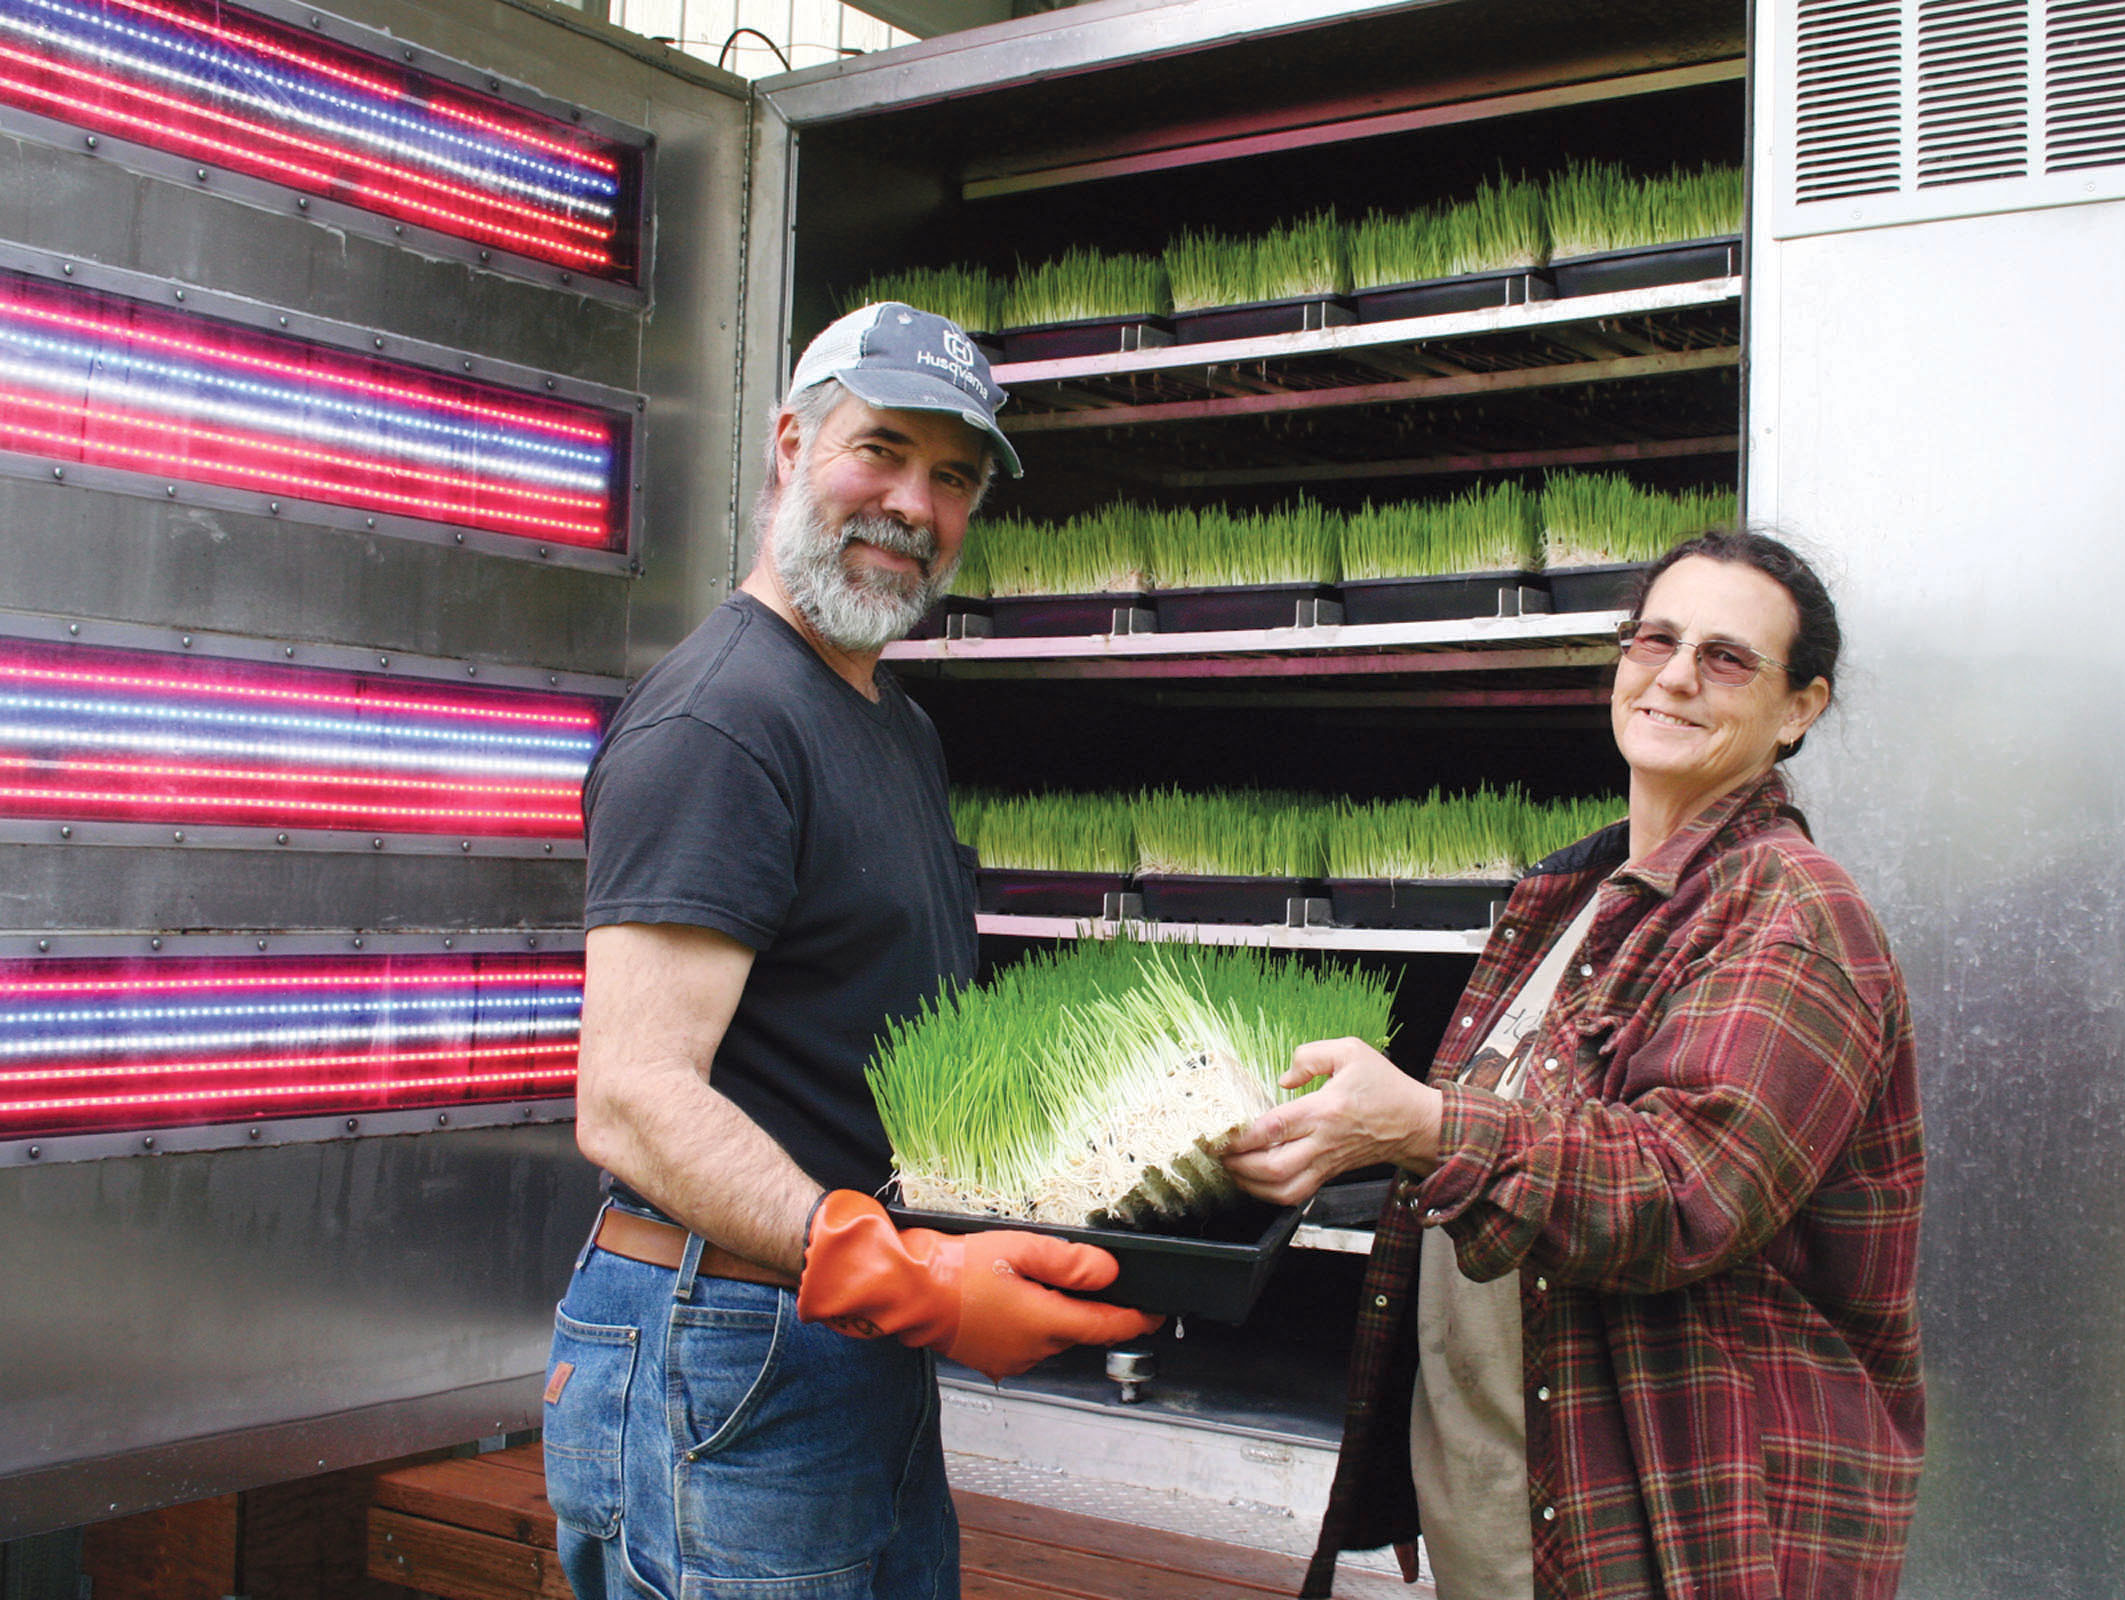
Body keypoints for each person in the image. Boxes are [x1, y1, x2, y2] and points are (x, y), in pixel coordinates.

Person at [542, 302, 1157, 1600]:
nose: (910, 504)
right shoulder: (723, 722)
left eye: (952, 477)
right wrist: (892, 1269)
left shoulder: (888, 721)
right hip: (728, 1338)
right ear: (788, 443)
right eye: (878, 450)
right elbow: (632, 1098)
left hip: (839, 1334)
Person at [1220, 529, 1924, 1600]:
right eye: (1656, 638)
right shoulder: (1577, 900)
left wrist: (1418, 1125)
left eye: (1728, 657)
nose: (1677, 673)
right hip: (1517, 1529)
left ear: (1799, 708)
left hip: (1685, 1537)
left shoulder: (1791, 915)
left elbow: (1677, 1190)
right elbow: (1517, 1159)